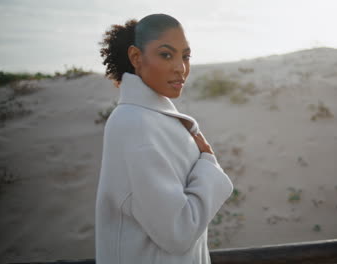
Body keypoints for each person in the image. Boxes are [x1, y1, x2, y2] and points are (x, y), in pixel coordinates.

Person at [95, 14, 234, 264]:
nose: (181, 67)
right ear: (136, 57)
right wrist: (209, 167)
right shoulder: (134, 123)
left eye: (186, 56)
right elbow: (178, 232)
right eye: (166, 55)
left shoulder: (154, 118)